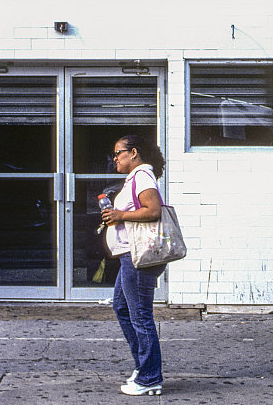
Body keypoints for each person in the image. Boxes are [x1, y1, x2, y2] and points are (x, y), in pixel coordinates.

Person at [101, 134, 167, 396]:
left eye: (118, 153)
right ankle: (144, 368)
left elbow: (154, 210)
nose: (115, 158)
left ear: (134, 153)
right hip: (130, 257)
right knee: (122, 307)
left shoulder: (142, 175)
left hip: (138, 257)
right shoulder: (135, 178)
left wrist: (121, 215)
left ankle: (150, 376)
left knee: (140, 315)